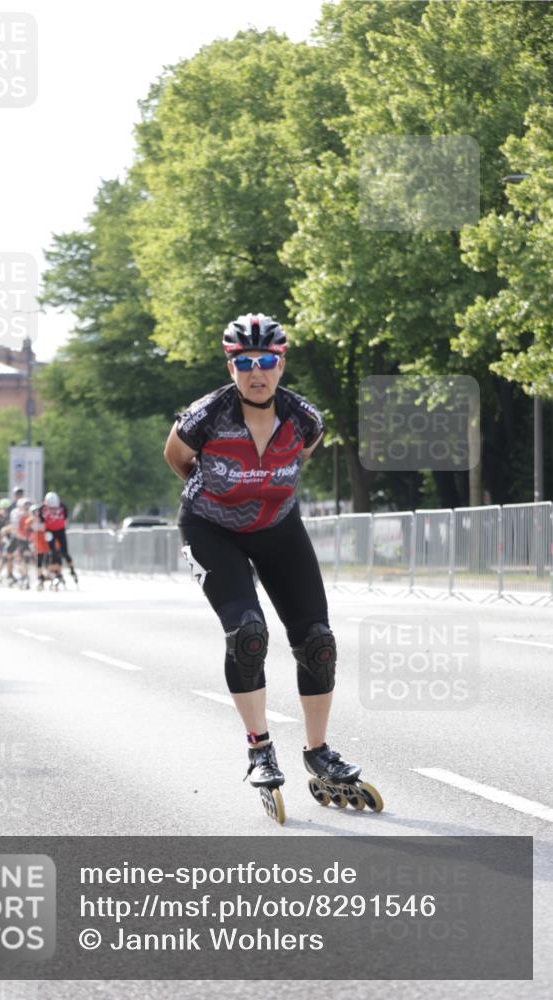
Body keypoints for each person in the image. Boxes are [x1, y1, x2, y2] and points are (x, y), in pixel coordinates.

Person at [164, 312, 368, 823]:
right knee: (248, 633)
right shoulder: (204, 416)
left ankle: (318, 752)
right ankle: (259, 748)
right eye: (245, 362)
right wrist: (222, 495)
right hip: (211, 529)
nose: (256, 372)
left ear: (281, 364)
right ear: (230, 366)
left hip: (277, 526)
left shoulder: (305, 419)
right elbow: (177, 458)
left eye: (266, 361)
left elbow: (300, 458)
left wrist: (259, 493)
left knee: (317, 640)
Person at [40, 492, 78, 586]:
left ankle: (72, 569)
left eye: (54, 508)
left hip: (60, 530)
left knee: (65, 552)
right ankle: (54, 572)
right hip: (49, 530)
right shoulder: (42, 509)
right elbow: (41, 520)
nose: (53, 509)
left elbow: (65, 517)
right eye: (51, 508)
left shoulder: (63, 507)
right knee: (52, 552)